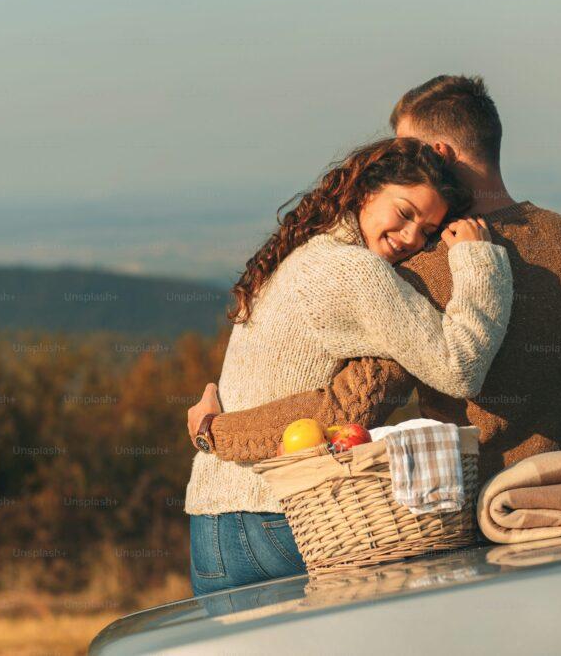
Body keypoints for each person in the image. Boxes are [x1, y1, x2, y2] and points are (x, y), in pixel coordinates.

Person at [188, 74, 561, 550]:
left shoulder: (425, 271)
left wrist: (219, 431)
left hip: (481, 535)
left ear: (436, 152)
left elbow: (346, 412)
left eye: (403, 148)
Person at [184, 137, 514, 595]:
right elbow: (459, 367)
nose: (412, 238)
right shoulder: (355, 271)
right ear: (366, 192)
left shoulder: (304, 254)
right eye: (405, 213)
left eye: (428, 230)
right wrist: (480, 261)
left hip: (211, 526)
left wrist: (212, 432)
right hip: (288, 518)